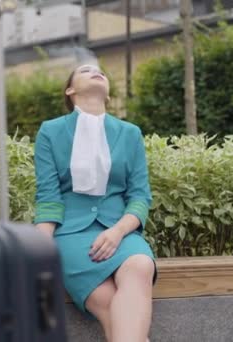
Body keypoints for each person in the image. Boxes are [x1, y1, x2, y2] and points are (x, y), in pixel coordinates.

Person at [33, 64, 157, 342]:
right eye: (86, 70)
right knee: (112, 307)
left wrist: (118, 232)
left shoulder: (130, 133)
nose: (97, 71)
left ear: (109, 94)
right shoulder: (50, 132)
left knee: (140, 265)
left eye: (102, 71)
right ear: (70, 90)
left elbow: (139, 196)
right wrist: (39, 250)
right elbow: (48, 197)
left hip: (121, 231)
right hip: (71, 236)